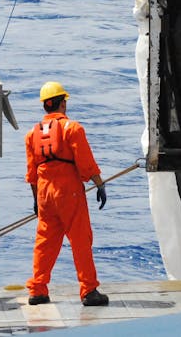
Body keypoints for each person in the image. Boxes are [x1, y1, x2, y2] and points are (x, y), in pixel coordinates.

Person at [25, 81, 109, 307]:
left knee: (45, 242)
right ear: (62, 104)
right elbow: (86, 164)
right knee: (81, 239)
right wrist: (99, 184)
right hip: (68, 192)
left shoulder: (32, 134)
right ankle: (89, 290)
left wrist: (36, 200)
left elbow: (31, 174)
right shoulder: (72, 129)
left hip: (44, 193)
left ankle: (38, 290)